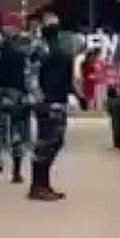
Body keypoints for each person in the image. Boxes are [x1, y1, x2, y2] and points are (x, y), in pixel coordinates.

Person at [0, 13, 33, 184]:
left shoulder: (0, 44)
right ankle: (16, 173)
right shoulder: (31, 45)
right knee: (19, 131)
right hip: (20, 93)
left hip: (0, 91)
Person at [29, 15, 72, 201]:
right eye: (51, 25)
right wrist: (41, 100)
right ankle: (38, 187)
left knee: (56, 142)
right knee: (46, 144)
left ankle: (43, 185)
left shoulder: (59, 48)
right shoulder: (40, 48)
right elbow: (31, 76)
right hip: (47, 103)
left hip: (59, 101)